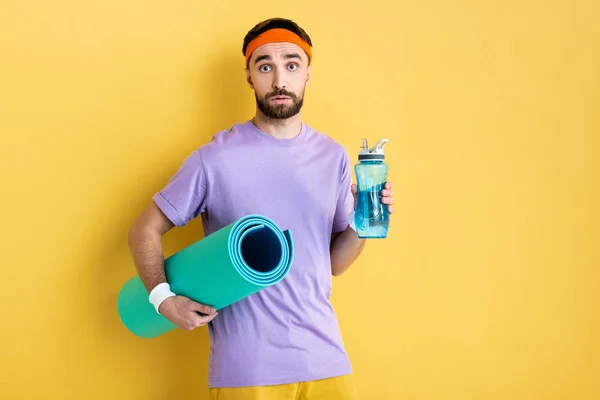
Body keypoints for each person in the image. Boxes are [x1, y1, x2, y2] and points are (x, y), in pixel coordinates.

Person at [127, 17, 395, 400]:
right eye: (265, 66)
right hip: (247, 368)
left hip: (327, 359)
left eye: (292, 64)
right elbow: (144, 229)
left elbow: (333, 263)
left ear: (308, 74)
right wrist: (161, 299)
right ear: (250, 77)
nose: (279, 80)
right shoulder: (214, 159)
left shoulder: (332, 156)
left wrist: (364, 222)